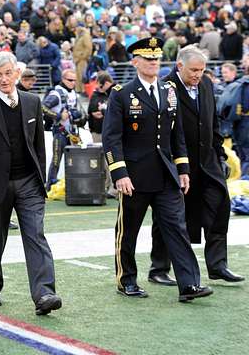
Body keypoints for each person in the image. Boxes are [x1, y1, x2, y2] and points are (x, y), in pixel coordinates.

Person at [102, 37, 213, 302]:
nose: (153, 63)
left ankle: (189, 285)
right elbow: (111, 138)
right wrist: (119, 174)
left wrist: (183, 168)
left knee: (177, 228)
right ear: (135, 61)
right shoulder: (121, 93)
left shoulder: (169, 90)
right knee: (128, 231)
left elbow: (177, 136)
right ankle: (126, 280)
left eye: (156, 58)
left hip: (166, 175)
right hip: (135, 177)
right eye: (148, 58)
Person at [0, 52, 61, 315]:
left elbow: (38, 146)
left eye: (7, 73)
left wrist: (41, 181)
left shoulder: (32, 102)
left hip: (29, 183)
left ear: (17, 74)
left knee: (36, 235)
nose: (3, 79)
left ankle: (45, 293)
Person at [148, 45, 244, 284]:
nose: (198, 75)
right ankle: (159, 268)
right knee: (169, 217)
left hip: (208, 161)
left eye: (201, 70)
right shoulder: (164, 88)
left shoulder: (207, 84)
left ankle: (218, 265)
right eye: (193, 70)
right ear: (179, 66)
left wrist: (219, 154)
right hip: (177, 164)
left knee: (219, 209)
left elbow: (213, 122)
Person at [42, 69, 86, 191]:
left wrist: (80, 119)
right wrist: (58, 116)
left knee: (76, 159)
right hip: (60, 132)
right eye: (70, 80)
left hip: (72, 132)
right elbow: (42, 107)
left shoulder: (73, 93)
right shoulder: (56, 94)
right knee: (56, 159)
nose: (73, 83)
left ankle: (76, 185)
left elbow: (77, 112)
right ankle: (49, 186)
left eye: (75, 81)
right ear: (63, 79)